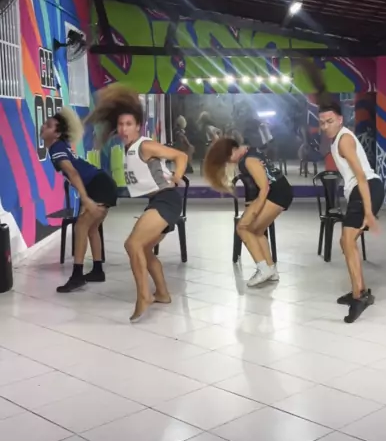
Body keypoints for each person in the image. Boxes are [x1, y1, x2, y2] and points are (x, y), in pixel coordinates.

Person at [87, 86, 188, 322]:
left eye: (129, 124)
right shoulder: (128, 148)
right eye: (121, 124)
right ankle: (162, 293)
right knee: (143, 249)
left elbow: (180, 156)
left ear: (138, 126)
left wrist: (177, 175)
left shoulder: (144, 145)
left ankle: (144, 296)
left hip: (166, 199)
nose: (124, 129)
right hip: (157, 200)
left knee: (132, 244)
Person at [319, 99, 384, 323]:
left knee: (347, 241)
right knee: (346, 242)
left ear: (340, 120)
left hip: (367, 188)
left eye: (329, 121)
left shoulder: (344, 140)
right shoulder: (338, 139)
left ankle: (358, 297)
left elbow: (362, 177)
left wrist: (369, 212)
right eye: (322, 122)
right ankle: (361, 291)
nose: (325, 126)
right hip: (360, 190)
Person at [41, 108, 117, 293]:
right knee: (91, 228)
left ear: (57, 134)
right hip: (101, 183)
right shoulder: (61, 145)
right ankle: (97, 271)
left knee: (81, 226)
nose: (43, 126)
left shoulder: (57, 148)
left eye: (49, 125)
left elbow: (73, 173)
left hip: (98, 185)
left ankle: (77, 276)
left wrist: (85, 199)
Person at [203, 137, 293, 287]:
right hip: (280, 192)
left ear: (233, 150)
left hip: (277, 194)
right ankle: (271, 270)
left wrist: (254, 211)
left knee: (243, 228)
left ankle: (263, 268)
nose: (229, 162)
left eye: (228, 158)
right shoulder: (250, 151)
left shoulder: (248, 160)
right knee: (257, 231)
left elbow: (264, 188)